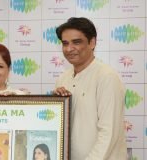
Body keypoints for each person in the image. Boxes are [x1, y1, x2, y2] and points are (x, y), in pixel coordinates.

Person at [54, 17, 127, 160]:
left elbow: (109, 134)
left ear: (92, 42)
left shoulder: (106, 77)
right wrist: (55, 104)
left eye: (76, 42)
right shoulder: (63, 79)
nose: (69, 49)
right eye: (65, 43)